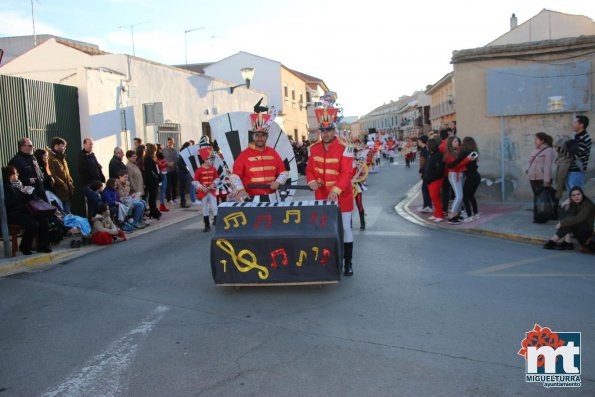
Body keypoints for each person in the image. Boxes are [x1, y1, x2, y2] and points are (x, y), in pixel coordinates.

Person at [306, 102, 355, 276]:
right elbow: (310, 169)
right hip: (321, 196)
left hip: (342, 196)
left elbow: (347, 172)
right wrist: (311, 180)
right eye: (323, 130)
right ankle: (328, 260)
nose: (326, 133)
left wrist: (336, 189)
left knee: (345, 228)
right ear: (320, 131)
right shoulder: (313, 149)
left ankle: (348, 262)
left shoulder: (346, 148)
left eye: (329, 130)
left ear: (334, 130)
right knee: (325, 228)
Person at [229, 110, 289, 202]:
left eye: (263, 135)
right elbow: (235, 176)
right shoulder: (244, 155)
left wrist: (278, 182)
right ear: (253, 137)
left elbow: (283, 172)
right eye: (257, 135)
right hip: (251, 198)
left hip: (272, 197)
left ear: (267, 137)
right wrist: (240, 190)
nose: (260, 138)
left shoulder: (273, 153)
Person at [2, 165, 52, 254]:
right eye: (15, 173)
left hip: (26, 210)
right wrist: (22, 193)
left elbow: (27, 198)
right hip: (14, 213)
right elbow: (10, 202)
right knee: (33, 224)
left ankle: (43, 246)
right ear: (9, 175)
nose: (17, 174)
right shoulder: (5, 187)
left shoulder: (19, 184)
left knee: (44, 220)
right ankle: (25, 247)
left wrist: (29, 192)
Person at [543, 187, 595, 253]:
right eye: (573, 195)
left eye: (578, 194)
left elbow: (579, 219)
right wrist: (562, 205)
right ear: (571, 197)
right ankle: (567, 242)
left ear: (582, 195)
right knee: (569, 216)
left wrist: (561, 223)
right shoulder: (574, 204)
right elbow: (563, 217)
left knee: (571, 220)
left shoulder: (588, 205)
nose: (576, 197)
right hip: (579, 230)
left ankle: (554, 240)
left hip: (587, 233)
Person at [449, 137, 480, 222]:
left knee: (465, 197)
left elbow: (455, 163)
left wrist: (449, 165)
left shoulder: (464, 153)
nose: (461, 144)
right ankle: (476, 214)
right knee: (471, 196)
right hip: (477, 176)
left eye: (462, 142)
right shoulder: (475, 152)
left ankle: (469, 216)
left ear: (465, 144)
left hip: (470, 177)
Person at [193, 147, 220, 232]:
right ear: (205, 160)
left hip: (211, 191)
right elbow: (195, 181)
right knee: (205, 208)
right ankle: (207, 225)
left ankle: (217, 222)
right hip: (203, 192)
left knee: (214, 207)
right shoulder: (199, 170)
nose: (212, 162)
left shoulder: (214, 169)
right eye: (211, 160)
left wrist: (213, 184)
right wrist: (201, 187)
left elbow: (217, 178)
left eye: (213, 160)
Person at [47, 137, 75, 214]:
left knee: (68, 213)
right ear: (56, 146)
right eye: (63, 146)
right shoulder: (51, 159)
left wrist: (70, 182)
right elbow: (52, 174)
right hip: (59, 193)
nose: (64, 148)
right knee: (64, 214)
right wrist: (62, 184)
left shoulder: (62, 158)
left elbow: (66, 173)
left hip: (67, 193)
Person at [444, 136, 467, 224]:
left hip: (459, 174)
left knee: (460, 196)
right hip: (454, 175)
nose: (457, 142)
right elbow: (456, 165)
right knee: (459, 196)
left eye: (458, 141)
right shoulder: (449, 154)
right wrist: (467, 159)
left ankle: (456, 214)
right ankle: (452, 216)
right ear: (450, 143)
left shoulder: (457, 151)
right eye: (455, 141)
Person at [565, 115, 591, 192]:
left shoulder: (583, 138)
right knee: (572, 197)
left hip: (576, 172)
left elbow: (576, 155)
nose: (573, 124)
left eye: (575, 122)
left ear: (581, 125)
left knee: (576, 197)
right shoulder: (578, 137)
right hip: (572, 171)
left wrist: (562, 151)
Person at [423, 138, 445, 223]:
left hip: (436, 179)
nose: (426, 146)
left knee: (435, 197)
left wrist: (431, 178)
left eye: (427, 145)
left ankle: (440, 215)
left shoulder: (438, 155)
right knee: (433, 197)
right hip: (430, 179)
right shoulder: (431, 154)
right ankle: (436, 213)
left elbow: (439, 169)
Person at [143, 143, 162, 220]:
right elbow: (150, 171)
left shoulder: (149, 158)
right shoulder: (148, 158)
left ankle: (153, 211)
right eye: (155, 149)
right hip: (151, 181)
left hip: (152, 180)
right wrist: (156, 177)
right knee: (152, 197)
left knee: (152, 197)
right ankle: (153, 211)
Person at [416, 135, 432, 213]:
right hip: (427, 171)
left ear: (422, 141)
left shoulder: (424, 150)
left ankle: (427, 206)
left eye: (418, 141)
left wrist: (421, 170)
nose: (417, 142)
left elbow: (423, 162)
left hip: (426, 172)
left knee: (425, 189)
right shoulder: (427, 148)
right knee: (426, 188)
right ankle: (428, 205)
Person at [163, 137, 179, 205]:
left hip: (175, 170)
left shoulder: (175, 150)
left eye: (171, 142)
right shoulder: (164, 150)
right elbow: (162, 160)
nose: (170, 143)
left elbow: (177, 159)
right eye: (169, 142)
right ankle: (168, 199)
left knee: (174, 185)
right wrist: (168, 163)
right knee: (168, 185)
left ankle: (174, 198)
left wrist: (176, 165)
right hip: (167, 170)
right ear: (167, 142)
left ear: (173, 142)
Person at [177, 142, 192, 208]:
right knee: (182, 188)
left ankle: (183, 202)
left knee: (183, 188)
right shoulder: (182, 153)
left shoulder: (184, 153)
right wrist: (186, 169)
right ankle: (183, 203)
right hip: (182, 172)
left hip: (183, 171)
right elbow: (180, 163)